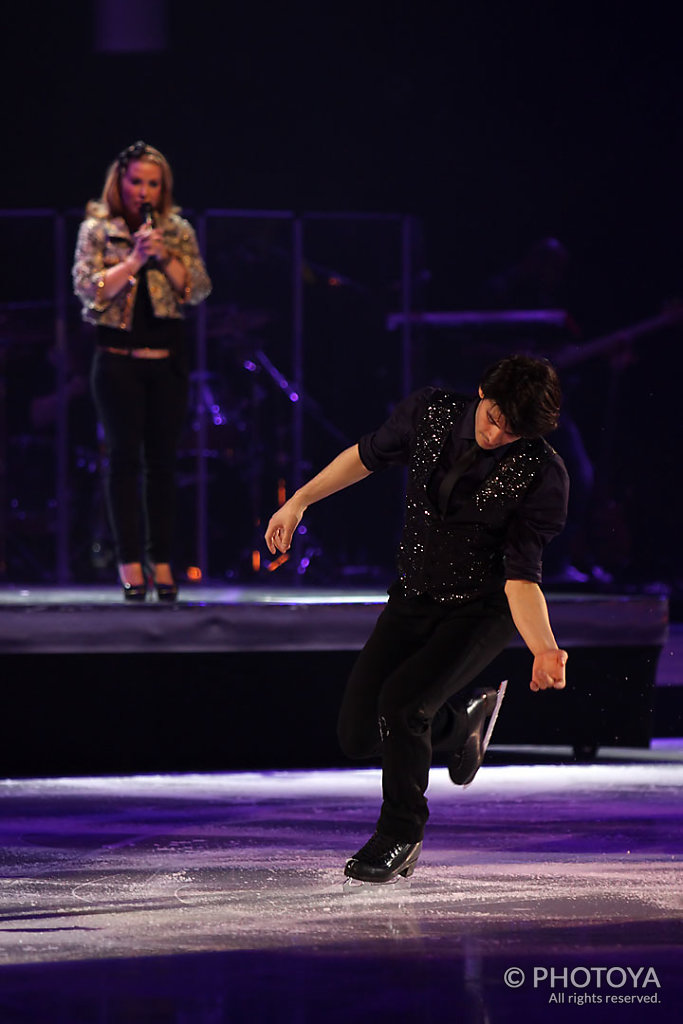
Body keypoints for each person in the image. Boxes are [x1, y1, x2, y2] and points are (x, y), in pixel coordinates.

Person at [265, 354, 569, 883]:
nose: (497, 435)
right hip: (412, 596)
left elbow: (522, 576)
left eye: (512, 431)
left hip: (482, 609)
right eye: (494, 418)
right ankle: (462, 724)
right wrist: (300, 502)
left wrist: (544, 647)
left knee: (403, 705)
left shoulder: (543, 474)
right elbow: (364, 456)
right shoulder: (430, 413)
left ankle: (400, 833)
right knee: (359, 735)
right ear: (481, 392)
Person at [72, 140, 211, 600]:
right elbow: (89, 291)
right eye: (137, 182)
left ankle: (163, 561)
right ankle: (130, 564)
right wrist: (133, 259)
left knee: (163, 465)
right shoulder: (98, 230)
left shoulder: (177, 231)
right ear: (121, 182)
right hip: (117, 364)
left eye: (153, 183)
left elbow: (197, 289)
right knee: (123, 462)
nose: (144, 191)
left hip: (167, 362)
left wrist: (164, 256)